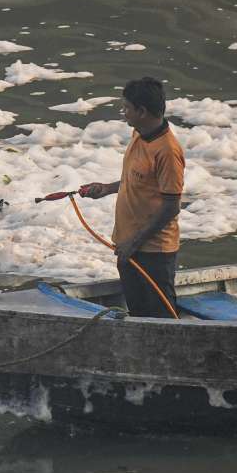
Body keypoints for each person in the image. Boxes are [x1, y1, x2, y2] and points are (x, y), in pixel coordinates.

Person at [79, 77, 184, 318]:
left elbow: (171, 207)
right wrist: (106, 188)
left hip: (154, 251)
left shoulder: (167, 151)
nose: (123, 113)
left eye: (127, 108)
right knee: (138, 313)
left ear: (142, 111)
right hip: (129, 246)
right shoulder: (139, 135)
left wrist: (134, 243)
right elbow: (137, 180)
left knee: (161, 317)